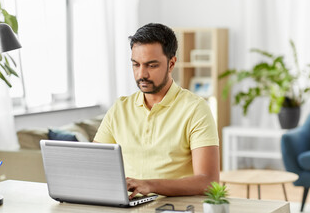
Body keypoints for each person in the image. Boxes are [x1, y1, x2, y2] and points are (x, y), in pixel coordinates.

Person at [94, 23, 219, 199]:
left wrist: (150, 185)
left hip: (174, 210)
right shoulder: (119, 109)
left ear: (171, 64)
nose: (141, 74)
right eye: (136, 65)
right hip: (127, 207)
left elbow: (208, 182)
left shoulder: (196, 109)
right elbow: (93, 164)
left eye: (151, 65)